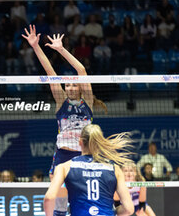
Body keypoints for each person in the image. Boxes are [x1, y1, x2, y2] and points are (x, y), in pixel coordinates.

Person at [22, 25, 107, 216]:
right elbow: (51, 73)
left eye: (72, 84)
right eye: (67, 84)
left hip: (84, 156)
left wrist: (61, 50)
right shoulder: (61, 102)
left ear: (79, 88)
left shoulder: (88, 103)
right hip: (62, 155)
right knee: (59, 206)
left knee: (82, 204)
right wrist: (36, 46)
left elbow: (81, 70)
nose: (69, 87)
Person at [44, 124, 134, 216]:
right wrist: (113, 211)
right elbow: (129, 209)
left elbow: (49, 197)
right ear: (100, 143)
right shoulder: (114, 169)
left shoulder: (64, 167)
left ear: (80, 141)